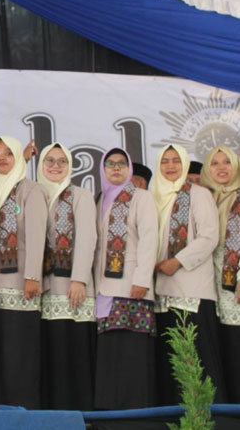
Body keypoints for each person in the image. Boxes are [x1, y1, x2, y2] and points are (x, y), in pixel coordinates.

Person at [152, 144, 225, 405]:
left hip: (192, 290)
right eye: (165, 161)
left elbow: (209, 237)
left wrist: (177, 261)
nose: (171, 166)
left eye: (176, 161)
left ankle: (207, 420)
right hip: (161, 293)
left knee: (198, 362)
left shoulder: (198, 193)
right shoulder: (155, 196)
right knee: (170, 363)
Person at [93, 147, 158, 409]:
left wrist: (142, 279)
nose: (116, 168)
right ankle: (110, 414)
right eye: (110, 164)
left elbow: (149, 239)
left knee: (131, 352)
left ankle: (133, 414)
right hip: (104, 288)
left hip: (131, 285)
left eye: (121, 163)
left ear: (129, 168)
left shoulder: (140, 197)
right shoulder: (100, 198)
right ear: (103, 168)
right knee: (110, 353)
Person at [0, 135, 47, 408]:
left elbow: (37, 235)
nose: (1, 158)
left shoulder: (30, 189)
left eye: (8, 154)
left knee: (20, 354)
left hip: (22, 284)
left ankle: (23, 413)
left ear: (18, 159)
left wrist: (32, 276)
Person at [37, 143, 97, 410]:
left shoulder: (79, 195)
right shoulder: (35, 194)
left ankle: (81, 416)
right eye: (49, 160)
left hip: (72, 288)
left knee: (74, 353)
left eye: (62, 161)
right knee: (50, 354)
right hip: (44, 291)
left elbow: (87, 237)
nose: (55, 166)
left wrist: (79, 279)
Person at [201, 146, 240, 403]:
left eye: (227, 162)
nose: (221, 168)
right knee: (224, 347)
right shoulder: (203, 198)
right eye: (215, 163)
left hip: (234, 284)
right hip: (211, 283)